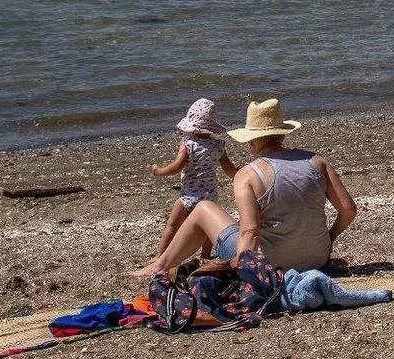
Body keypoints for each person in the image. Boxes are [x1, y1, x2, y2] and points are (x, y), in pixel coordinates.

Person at [134, 98, 358, 276]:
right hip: (316, 258)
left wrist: (242, 273)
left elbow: (250, 232)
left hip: (271, 264)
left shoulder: (248, 174)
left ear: (250, 141)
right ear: (282, 134)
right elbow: (348, 210)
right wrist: (329, 238)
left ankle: (159, 266)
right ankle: (161, 264)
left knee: (202, 208)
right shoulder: (317, 161)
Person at [140, 98, 238, 269]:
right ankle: (206, 254)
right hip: (209, 197)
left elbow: (176, 166)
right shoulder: (218, 146)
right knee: (208, 229)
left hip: (188, 196)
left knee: (172, 225)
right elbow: (229, 170)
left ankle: (160, 255)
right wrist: (240, 173)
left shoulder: (188, 144)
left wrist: (159, 171)